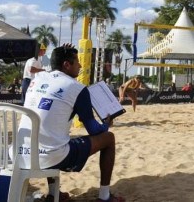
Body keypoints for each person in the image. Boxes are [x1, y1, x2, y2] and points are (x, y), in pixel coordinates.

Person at [21, 44, 124, 202]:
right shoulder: (77, 88)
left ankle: (54, 193)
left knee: (53, 136)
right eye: (77, 62)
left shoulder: (38, 79)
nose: (80, 65)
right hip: (50, 156)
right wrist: (106, 124)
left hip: (20, 153)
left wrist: (62, 50)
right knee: (108, 138)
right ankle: (105, 196)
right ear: (66, 65)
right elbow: (94, 131)